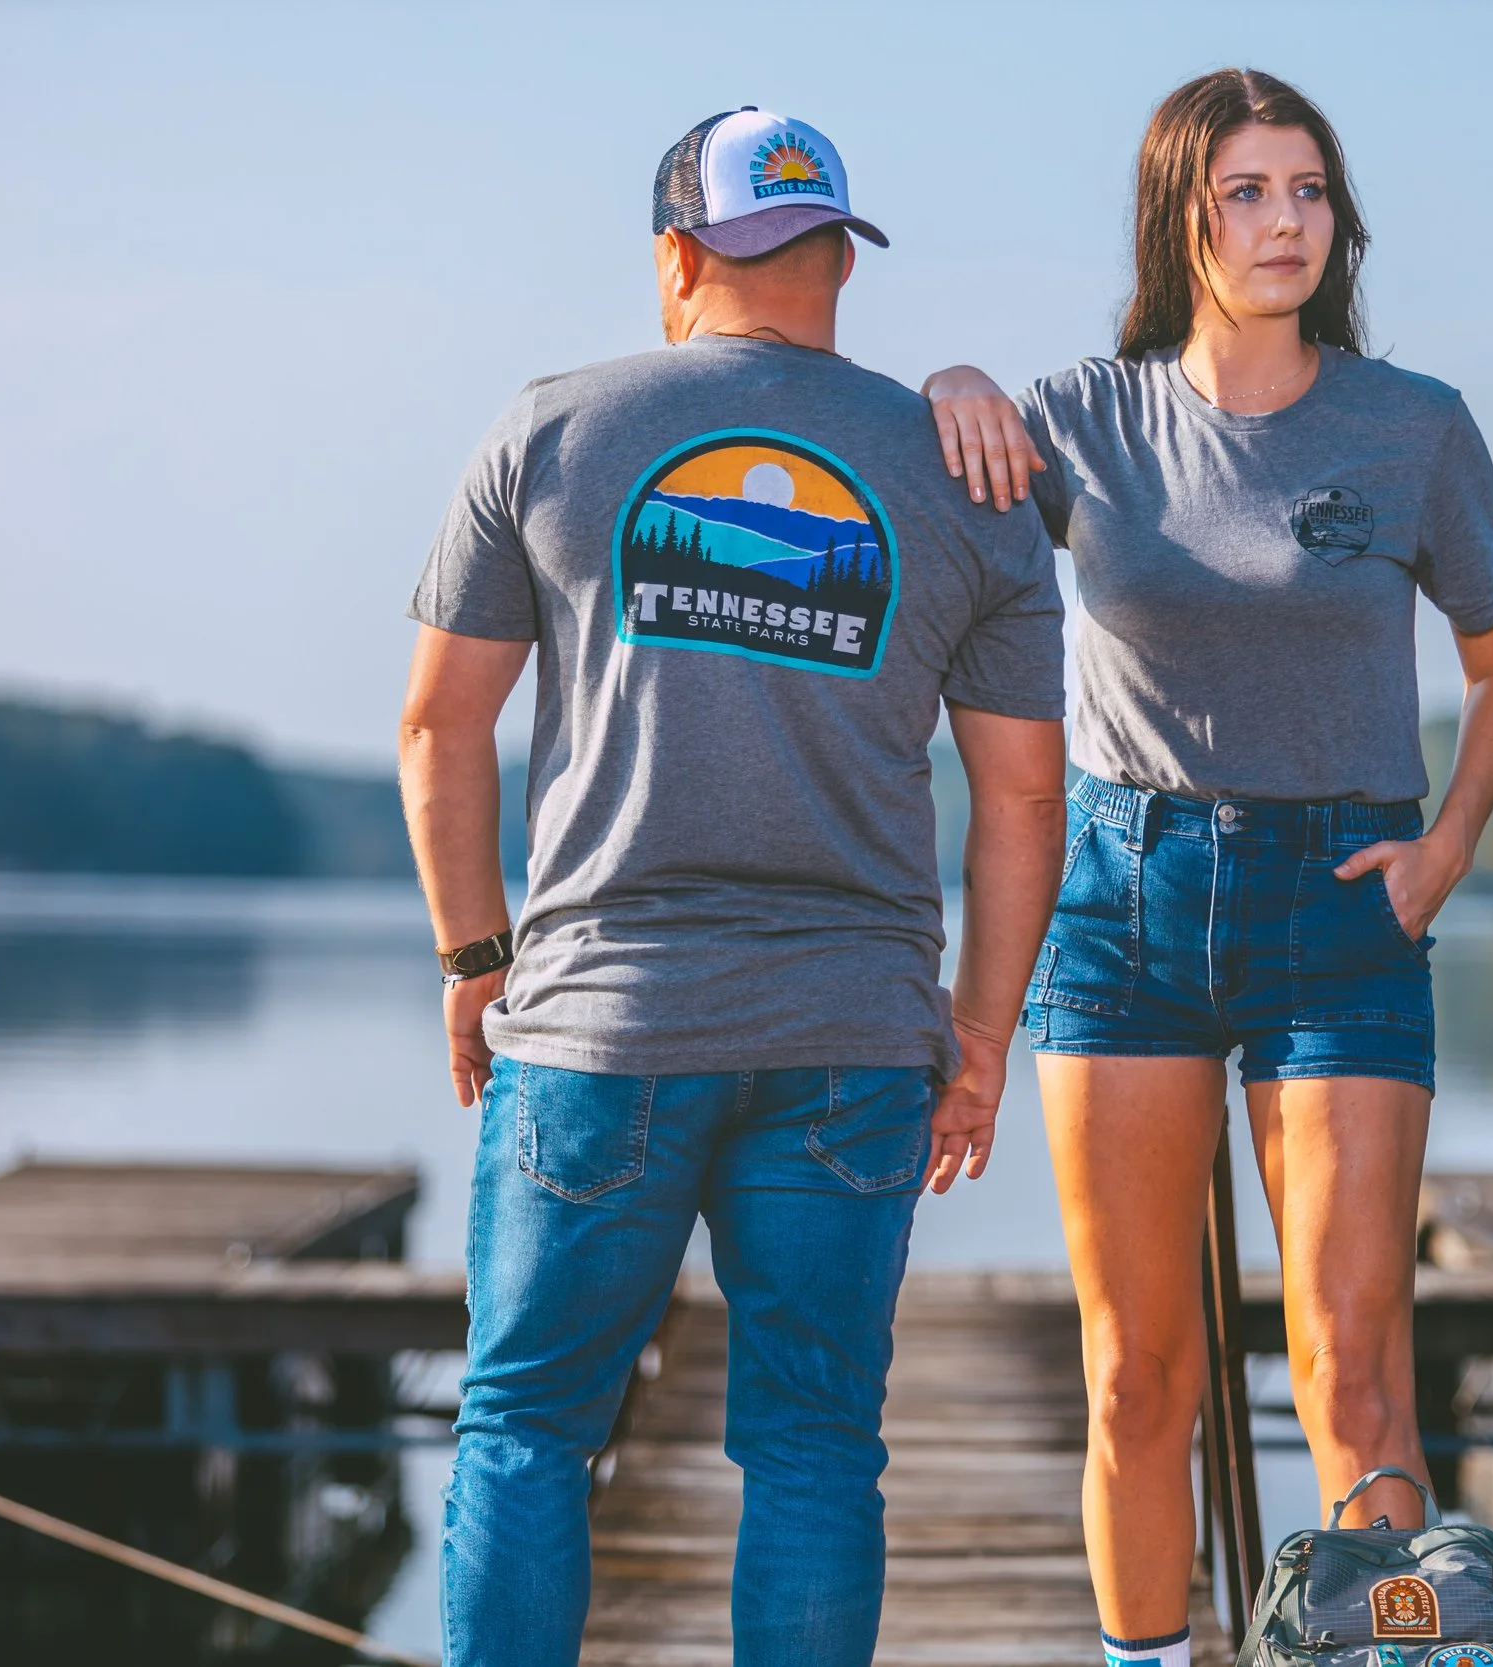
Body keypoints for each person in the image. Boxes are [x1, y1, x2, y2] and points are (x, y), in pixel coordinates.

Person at [399, 107, 1069, 1667]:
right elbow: (1022, 794)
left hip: (596, 1028)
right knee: (817, 1443)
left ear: (676, 259)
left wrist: (472, 951)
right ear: (837, 259)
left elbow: (442, 724)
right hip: (852, 1036)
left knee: (523, 1430)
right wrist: (978, 1037)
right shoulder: (964, 472)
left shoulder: (552, 430)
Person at [920, 69, 1493, 1667]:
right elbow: (952, 466)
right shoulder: (1087, 417)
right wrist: (955, 374)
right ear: (1181, 218)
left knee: (1353, 1368)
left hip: (1346, 905)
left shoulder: (1415, 428)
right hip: (1123, 904)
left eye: (1310, 191)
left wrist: (1451, 847)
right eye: (1247, 193)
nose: (1285, 223)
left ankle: (1390, 1651)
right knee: (1137, 1373)